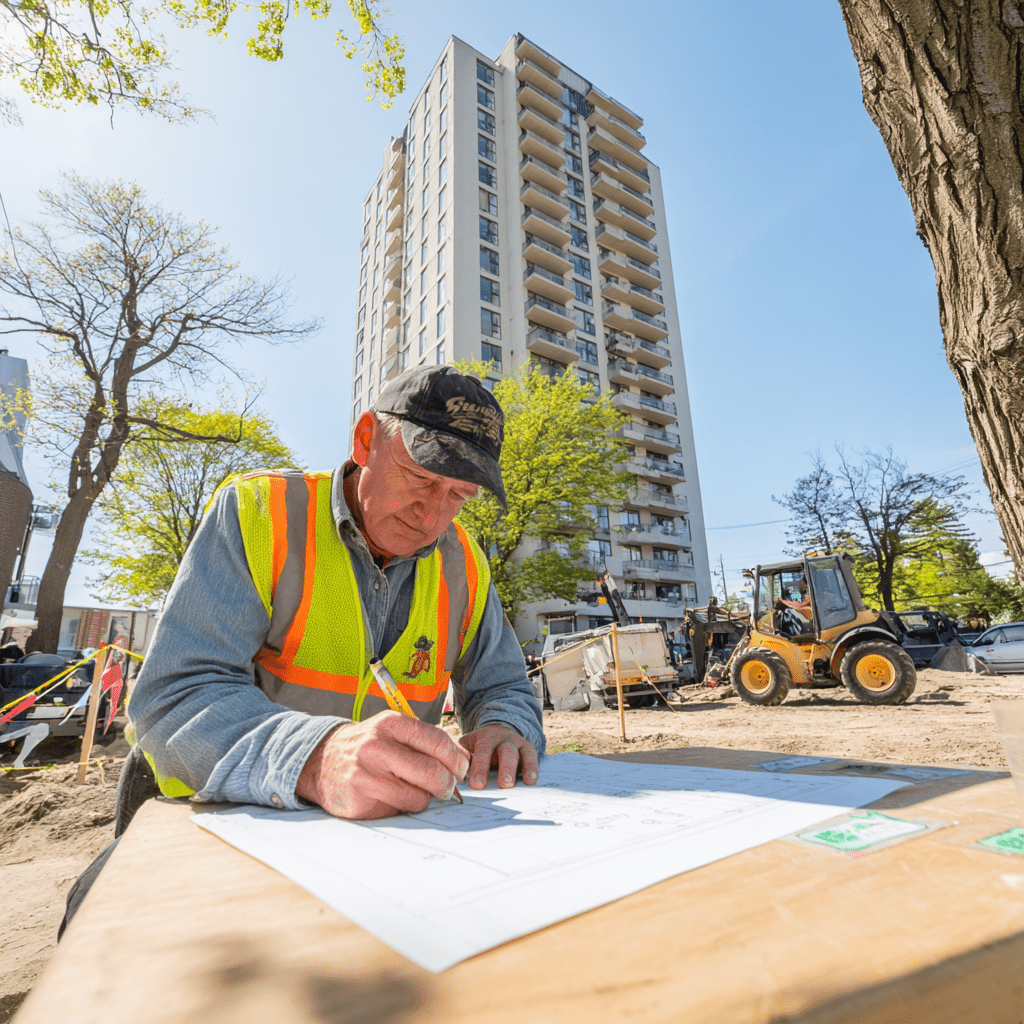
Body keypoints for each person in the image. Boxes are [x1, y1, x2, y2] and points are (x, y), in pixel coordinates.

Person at [60, 366, 544, 935]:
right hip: (207, 805)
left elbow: (504, 685)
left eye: (459, 495)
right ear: (366, 440)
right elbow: (175, 698)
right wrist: (314, 758)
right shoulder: (258, 513)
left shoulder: (465, 563)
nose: (434, 516)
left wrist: (505, 729)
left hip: (379, 826)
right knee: (100, 933)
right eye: (421, 479)